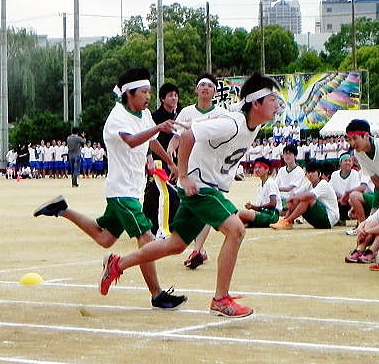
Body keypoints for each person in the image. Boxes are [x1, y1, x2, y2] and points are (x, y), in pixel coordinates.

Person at [96, 72, 283, 318]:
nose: (277, 105)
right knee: (236, 230)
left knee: (174, 245)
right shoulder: (233, 123)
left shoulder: (251, 123)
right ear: (256, 103)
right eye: (272, 99)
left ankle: (117, 264)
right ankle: (221, 300)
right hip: (200, 186)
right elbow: (188, 135)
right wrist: (182, 175)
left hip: (207, 186)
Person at [33, 67, 186, 310]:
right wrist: (158, 127)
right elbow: (132, 140)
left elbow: (151, 142)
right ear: (129, 94)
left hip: (132, 189)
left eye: (149, 92)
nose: (148, 97)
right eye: (144, 92)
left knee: (105, 238)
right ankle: (157, 294)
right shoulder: (117, 117)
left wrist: (170, 162)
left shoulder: (144, 114)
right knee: (146, 238)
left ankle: (62, 209)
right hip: (122, 191)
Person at [173, 74, 226, 269]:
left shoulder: (222, 114)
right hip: (189, 169)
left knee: (207, 209)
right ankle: (198, 250)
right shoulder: (186, 112)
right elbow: (177, 136)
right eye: (201, 85)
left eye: (209, 86)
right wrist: (170, 151)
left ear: (215, 91)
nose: (205, 88)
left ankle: (197, 249)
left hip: (212, 169)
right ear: (196, 90)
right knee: (193, 208)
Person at [142, 82, 180, 241]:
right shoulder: (154, 117)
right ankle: (152, 225)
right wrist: (149, 158)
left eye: (176, 95)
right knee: (155, 192)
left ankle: (170, 224)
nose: (174, 98)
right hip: (157, 161)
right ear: (163, 99)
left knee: (173, 193)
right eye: (170, 95)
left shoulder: (178, 117)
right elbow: (149, 139)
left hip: (174, 161)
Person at [270, 161, 339, 230]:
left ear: (319, 174)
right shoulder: (308, 185)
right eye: (308, 172)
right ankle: (287, 221)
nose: (310, 175)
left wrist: (292, 198)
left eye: (313, 172)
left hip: (328, 219)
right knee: (297, 199)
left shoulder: (323, 184)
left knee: (307, 199)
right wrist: (291, 199)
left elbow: (308, 196)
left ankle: (287, 221)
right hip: (318, 219)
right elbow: (295, 194)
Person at [236, 157, 281, 227]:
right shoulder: (260, 185)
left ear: (267, 169)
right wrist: (252, 207)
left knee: (242, 214)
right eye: (255, 167)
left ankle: (248, 224)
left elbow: (273, 204)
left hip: (271, 215)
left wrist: (255, 207)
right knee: (237, 213)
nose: (256, 170)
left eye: (259, 167)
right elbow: (260, 208)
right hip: (264, 213)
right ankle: (248, 223)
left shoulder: (270, 183)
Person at [329, 152, 367, 228]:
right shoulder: (334, 174)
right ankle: (339, 219)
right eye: (345, 160)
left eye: (349, 161)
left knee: (352, 199)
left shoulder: (355, 173)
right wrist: (337, 199)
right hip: (339, 201)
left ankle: (359, 219)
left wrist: (343, 198)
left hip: (349, 200)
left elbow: (355, 191)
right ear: (340, 163)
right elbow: (330, 190)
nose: (348, 163)